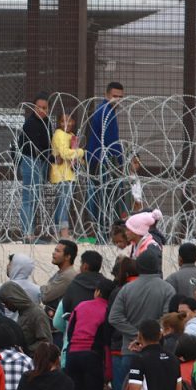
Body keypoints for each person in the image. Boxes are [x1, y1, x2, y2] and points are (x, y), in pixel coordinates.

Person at [106, 249, 173, 390]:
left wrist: (136, 335)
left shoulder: (126, 289)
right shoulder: (167, 289)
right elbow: (166, 319)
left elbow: (114, 317)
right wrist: (148, 336)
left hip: (129, 350)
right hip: (156, 353)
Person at [63, 281, 110, 390]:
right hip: (92, 355)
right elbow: (105, 339)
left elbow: (70, 331)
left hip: (73, 354)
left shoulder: (81, 306)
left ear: (97, 291)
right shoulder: (107, 310)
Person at [83, 82, 126, 240]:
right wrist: (119, 162)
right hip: (102, 160)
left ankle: (102, 231)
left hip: (98, 158)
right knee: (105, 198)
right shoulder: (106, 112)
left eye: (121, 97)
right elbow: (111, 142)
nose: (118, 100)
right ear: (107, 95)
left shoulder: (106, 110)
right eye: (115, 96)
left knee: (103, 197)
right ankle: (103, 233)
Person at [15, 94, 53, 240]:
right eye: (39, 107)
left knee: (35, 198)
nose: (41, 110)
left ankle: (30, 231)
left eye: (44, 108)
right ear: (33, 108)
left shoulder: (47, 123)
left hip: (41, 162)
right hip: (30, 160)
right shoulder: (30, 123)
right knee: (29, 197)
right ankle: (27, 232)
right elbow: (35, 147)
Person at [49, 110, 85, 238]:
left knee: (63, 204)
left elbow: (72, 156)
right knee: (63, 204)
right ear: (59, 123)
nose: (67, 123)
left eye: (69, 120)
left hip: (68, 174)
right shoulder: (59, 134)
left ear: (74, 121)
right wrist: (81, 152)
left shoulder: (71, 135)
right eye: (63, 121)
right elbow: (64, 153)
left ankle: (58, 233)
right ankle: (63, 233)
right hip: (61, 174)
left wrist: (79, 158)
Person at [39, 240, 77, 313]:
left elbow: (45, 297)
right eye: (55, 250)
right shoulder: (62, 272)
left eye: (58, 251)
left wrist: (42, 288)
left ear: (67, 257)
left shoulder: (67, 275)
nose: (53, 253)